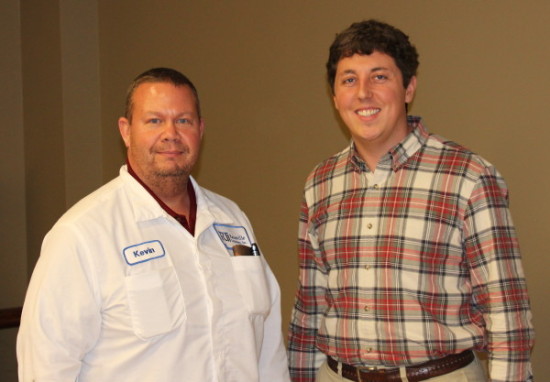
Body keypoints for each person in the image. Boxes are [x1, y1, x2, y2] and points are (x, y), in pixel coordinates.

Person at [287, 20, 534, 382]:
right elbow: (310, 307)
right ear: (335, 95)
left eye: (380, 77)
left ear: (408, 88)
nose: (363, 93)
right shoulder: (319, 184)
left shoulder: (468, 176)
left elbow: (506, 313)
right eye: (349, 79)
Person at [17, 67, 290, 382]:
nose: (171, 134)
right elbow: (47, 365)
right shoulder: (82, 235)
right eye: (154, 120)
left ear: (200, 130)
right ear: (126, 130)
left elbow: (268, 346)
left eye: (183, 120)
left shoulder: (233, 222)